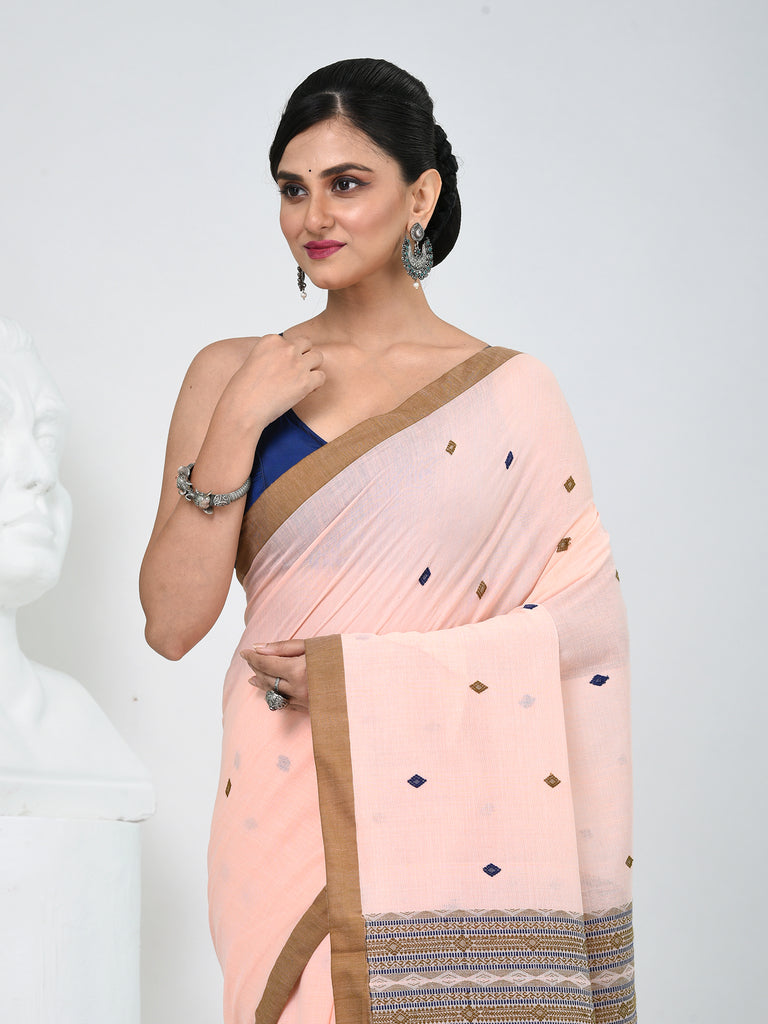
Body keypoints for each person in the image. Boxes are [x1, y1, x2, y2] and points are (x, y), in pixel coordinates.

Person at [140, 58, 636, 1024]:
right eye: (293, 188)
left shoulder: (513, 394)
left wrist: (357, 681)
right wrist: (237, 420)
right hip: (280, 799)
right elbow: (170, 623)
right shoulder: (232, 372)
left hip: (457, 822)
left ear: (420, 196)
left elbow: (585, 630)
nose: (313, 215)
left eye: (346, 183)